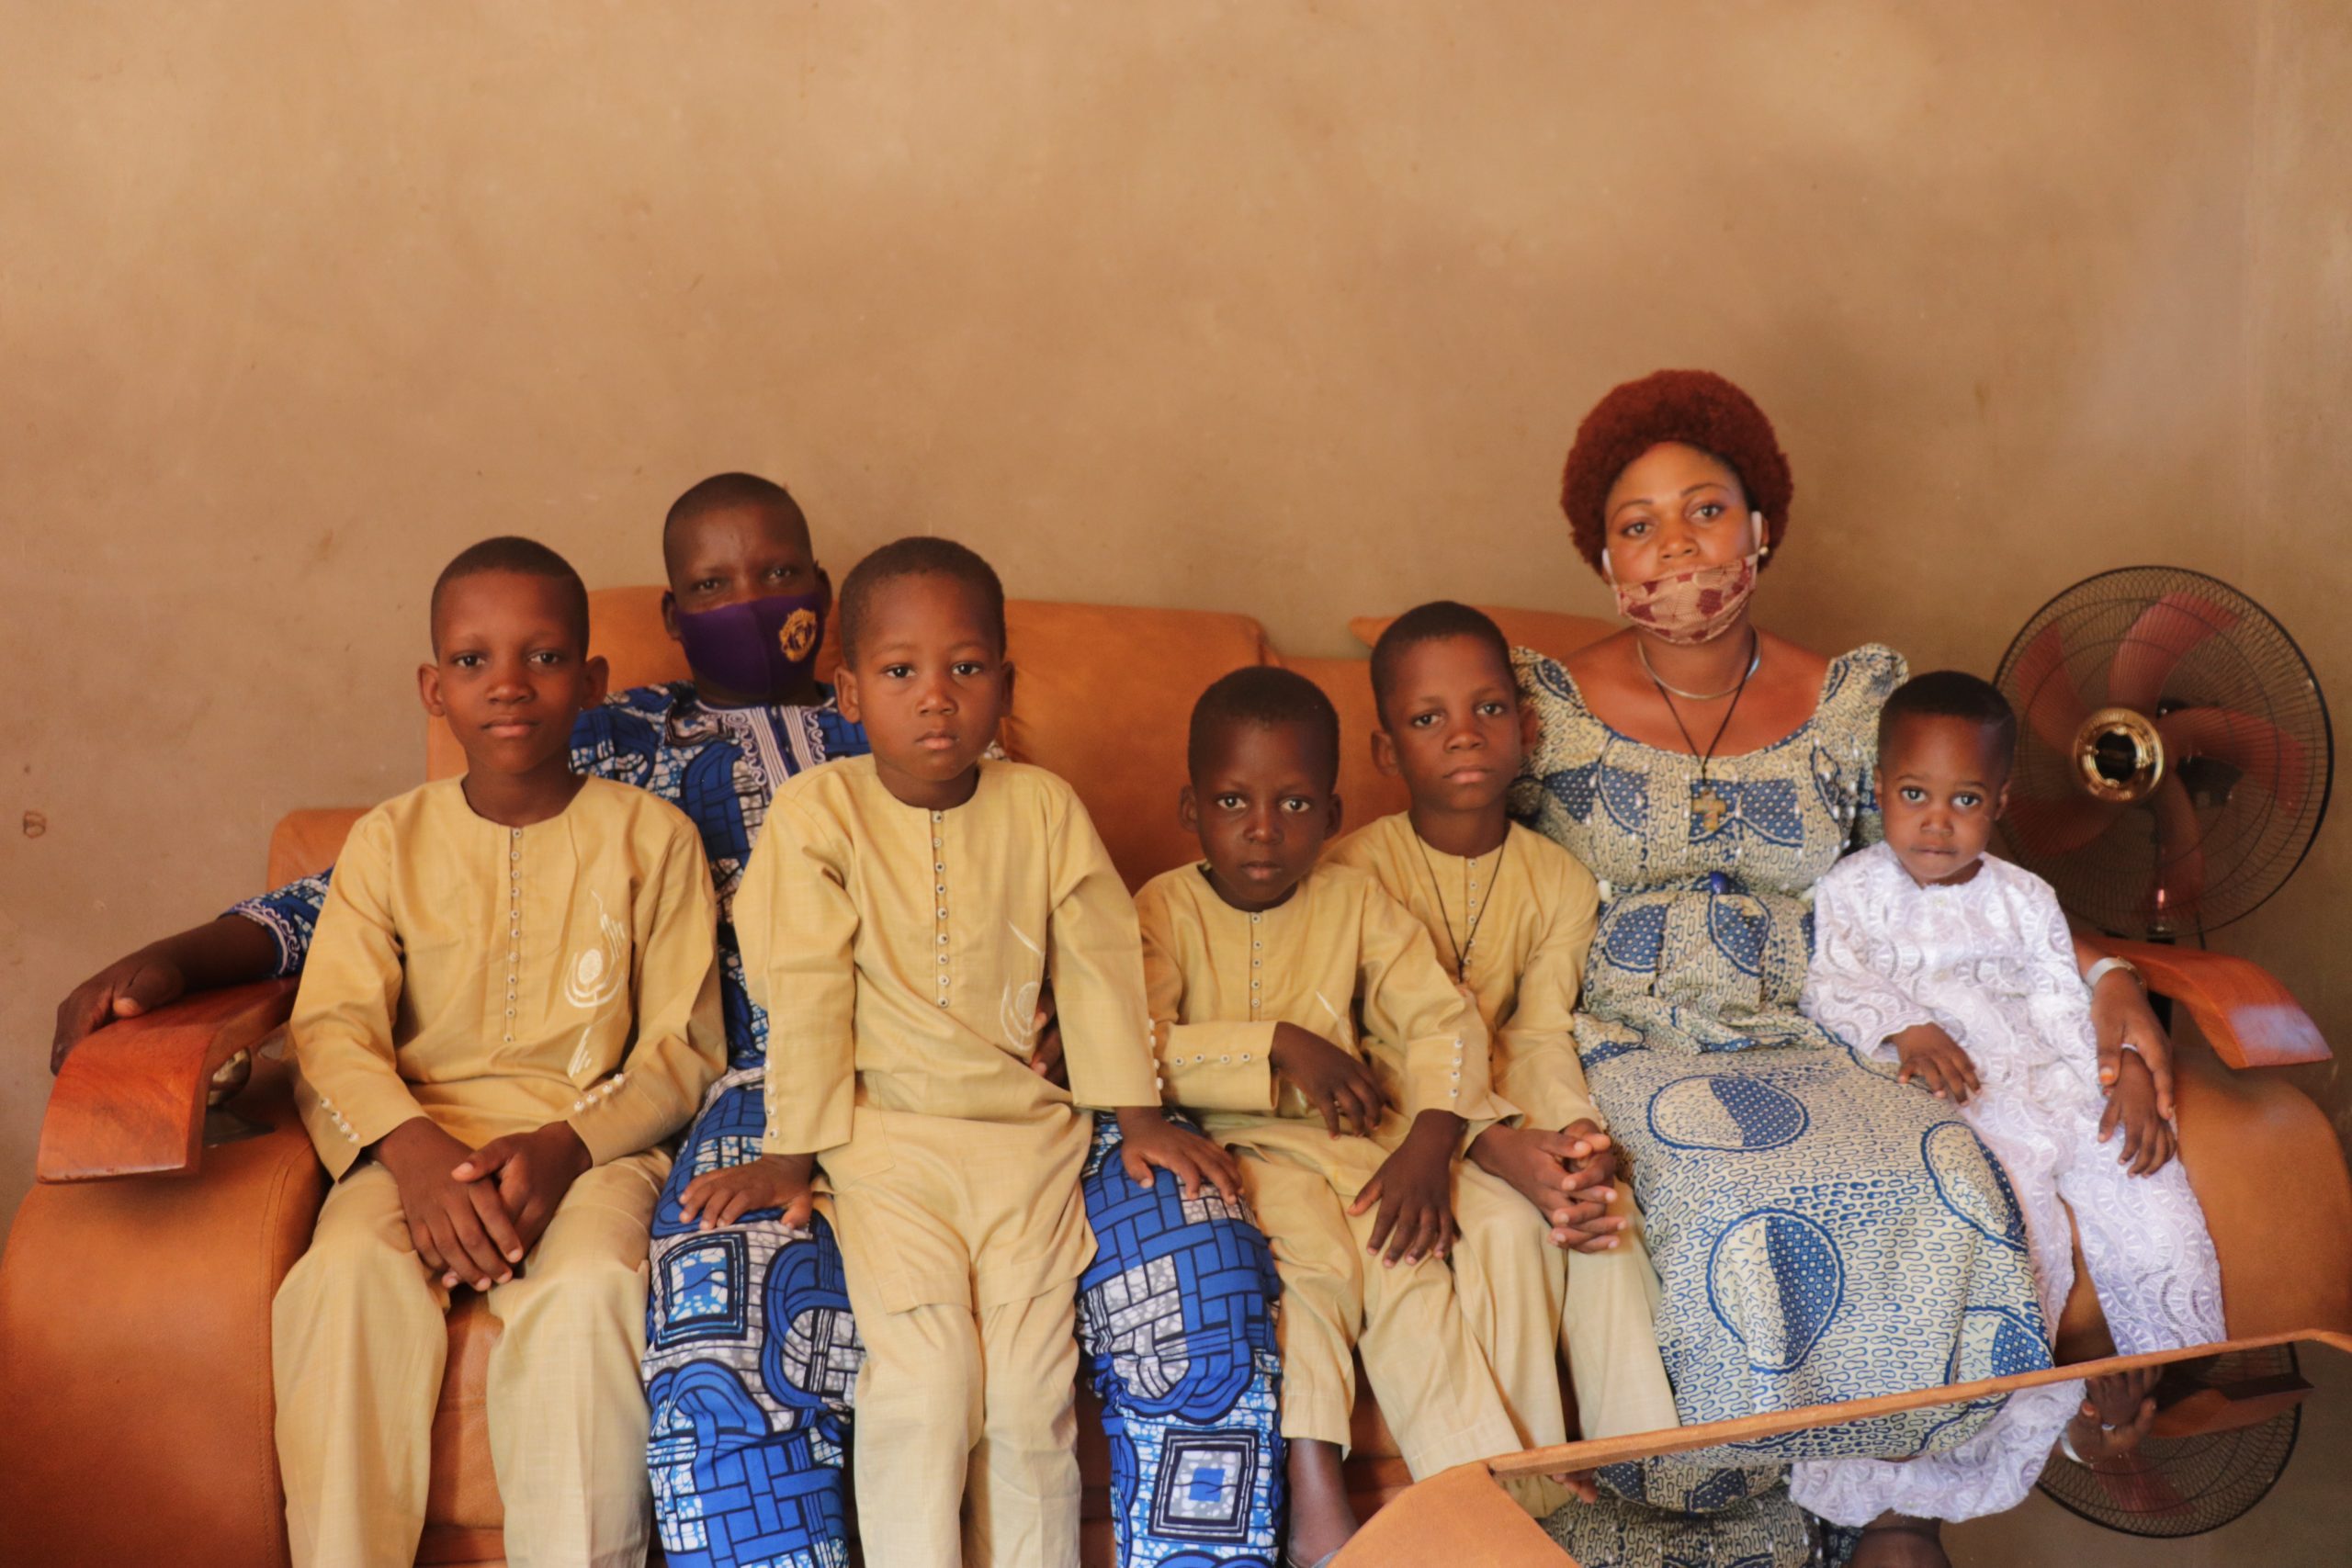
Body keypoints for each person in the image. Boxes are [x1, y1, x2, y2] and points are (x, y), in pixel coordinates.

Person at [51, 475, 1288, 1568]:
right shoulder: (621, 741)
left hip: (961, 1096)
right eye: (711, 583)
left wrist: (1102, 1051)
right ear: (668, 619)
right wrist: (179, 956)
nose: (750, 600)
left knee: (1134, 1294)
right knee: (721, 1295)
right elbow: (346, 907)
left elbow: (1092, 927)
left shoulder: (981, 754)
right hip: (770, 1093)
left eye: (780, 574)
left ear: (831, 600)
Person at [1509, 370, 2184, 1568]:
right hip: (1626, 1037)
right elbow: (1453, 878)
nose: (1677, 544)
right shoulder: (1542, 709)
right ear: (1600, 560)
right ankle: (1735, 1529)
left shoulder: (1851, 703)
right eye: (1636, 523)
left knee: (1937, 1156)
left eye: (1706, 507)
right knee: (1720, 1195)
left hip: (1818, 1030)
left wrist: (2110, 978)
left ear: (1762, 521)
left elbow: (1955, 879)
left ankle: (1886, 1505)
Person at [711, 536, 1235, 1566]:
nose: (936, 698)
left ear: (1006, 681)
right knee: (928, 1376)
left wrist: (1136, 1116)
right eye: (902, 672)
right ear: (851, 692)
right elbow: (805, 989)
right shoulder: (822, 813)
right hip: (887, 1148)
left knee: (1030, 1394)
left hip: (1027, 1149)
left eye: (965, 668)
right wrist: (794, 1149)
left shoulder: (1042, 809)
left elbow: (1096, 966)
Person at [272, 537, 726, 1568]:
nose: (509, 684)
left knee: (594, 1294)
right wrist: (416, 1153)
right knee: (342, 1280)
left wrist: (568, 1145)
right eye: (473, 662)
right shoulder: (388, 841)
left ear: (594, 683)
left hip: (590, 1147)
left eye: (545, 657)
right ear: (434, 689)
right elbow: (332, 1027)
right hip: (413, 1143)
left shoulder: (652, 840)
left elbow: (685, 1046)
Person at [1793, 670, 2224, 1529]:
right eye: (1913, 794)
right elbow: (1835, 986)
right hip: (1950, 1094)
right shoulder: (1853, 890)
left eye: (1965, 799)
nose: (1936, 820)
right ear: (1880, 789)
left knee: (2145, 1183)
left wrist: (2126, 1074)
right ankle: (1996, 1416)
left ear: (2000, 801)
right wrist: (1907, 1030)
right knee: (2013, 1214)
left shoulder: (2026, 898)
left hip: (2044, 1079)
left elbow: (2072, 1002)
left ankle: (2159, 1364)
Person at [1136, 666, 1523, 1568]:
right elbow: (1135, 1048)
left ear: (1336, 812)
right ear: (1192, 809)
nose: (1264, 830)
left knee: (1410, 1267)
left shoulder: (1354, 903)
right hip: (1236, 1147)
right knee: (1307, 1265)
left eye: (1296, 804)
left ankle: (1466, 1501)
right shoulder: (1161, 909)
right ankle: (1316, 1501)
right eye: (1233, 801)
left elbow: (1442, 1019)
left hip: (1352, 1150)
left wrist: (1433, 1137)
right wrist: (1274, 1042)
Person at [1326, 601, 1681, 1517]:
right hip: (1400, 1132)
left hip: (1508, 1111)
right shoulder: (1351, 874)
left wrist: (1569, 1139)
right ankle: (1525, 1501)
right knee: (1501, 1226)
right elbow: (1361, 1049)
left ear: (1525, 730)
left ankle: (1646, 1473)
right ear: (1384, 751)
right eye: (1425, 718)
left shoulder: (1556, 879)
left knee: (1597, 1213)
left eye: (1487, 710)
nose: (1462, 736)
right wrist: (1486, 1144)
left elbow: (1536, 1032)